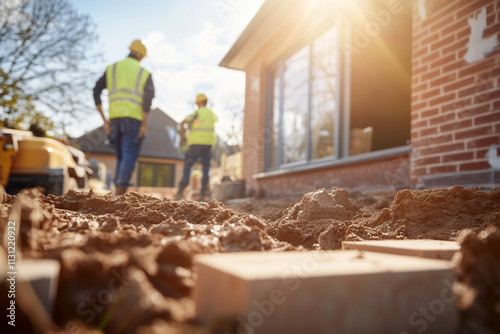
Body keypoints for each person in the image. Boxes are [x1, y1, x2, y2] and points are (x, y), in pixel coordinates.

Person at [93, 39, 154, 195]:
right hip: (132, 120)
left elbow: (96, 91)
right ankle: (120, 194)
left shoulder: (112, 69)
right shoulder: (144, 73)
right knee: (129, 157)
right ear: (141, 56)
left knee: (120, 156)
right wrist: (143, 127)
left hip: (114, 120)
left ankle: (117, 193)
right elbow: (147, 104)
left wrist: (105, 121)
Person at [175, 94, 217, 200]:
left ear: (197, 103)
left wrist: (182, 133)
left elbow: (183, 122)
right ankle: (204, 191)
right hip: (208, 144)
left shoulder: (196, 113)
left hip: (195, 144)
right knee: (206, 167)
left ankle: (181, 189)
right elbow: (215, 120)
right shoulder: (212, 113)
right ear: (206, 102)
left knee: (188, 165)